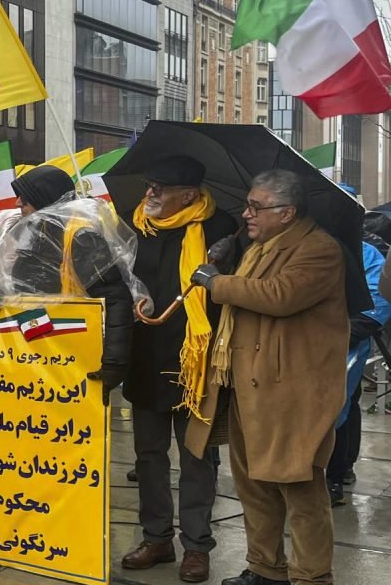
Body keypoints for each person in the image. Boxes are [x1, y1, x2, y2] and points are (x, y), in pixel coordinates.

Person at [185, 170, 347, 585]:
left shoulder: (320, 249)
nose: (247, 213)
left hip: (292, 393)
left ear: (288, 212)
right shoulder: (258, 246)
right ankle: (265, 569)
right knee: (254, 485)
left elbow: (279, 296)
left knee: (300, 490)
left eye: (257, 206)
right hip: (246, 387)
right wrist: (226, 258)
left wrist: (216, 282)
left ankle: (311, 577)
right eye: (248, 204)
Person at [121, 156, 240, 583]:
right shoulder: (131, 227)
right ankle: (156, 538)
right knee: (148, 457)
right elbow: (115, 281)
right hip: (145, 359)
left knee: (196, 459)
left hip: (197, 365)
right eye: (150, 185)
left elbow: (234, 297)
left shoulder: (222, 229)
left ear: (189, 195)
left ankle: (196, 546)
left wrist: (219, 268)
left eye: (161, 187)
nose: (150, 193)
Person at [0, 165, 136, 403]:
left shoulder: (81, 238)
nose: (17, 203)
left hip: (71, 354)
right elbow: (21, 287)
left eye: (25, 197)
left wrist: (114, 363)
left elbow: (115, 298)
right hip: (35, 350)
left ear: (45, 200)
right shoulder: (35, 234)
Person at [326, 239, 390, 505]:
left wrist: (345, 333)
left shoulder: (364, 252)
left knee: (340, 406)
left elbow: (380, 299)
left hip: (347, 342)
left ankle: (335, 476)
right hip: (311, 344)